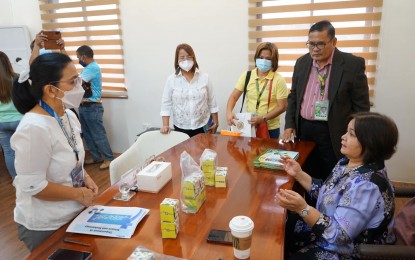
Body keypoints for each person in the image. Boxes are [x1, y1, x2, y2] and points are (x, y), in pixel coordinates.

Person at [276, 112, 398, 259]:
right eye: (347, 131)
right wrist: (299, 174)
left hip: (348, 251)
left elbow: (339, 235)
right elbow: (327, 194)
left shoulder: (367, 187)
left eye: (351, 134)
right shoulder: (346, 163)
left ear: (370, 143)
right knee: (279, 229)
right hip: (327, 228)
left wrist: (303, 209)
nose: (343, 136)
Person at [11, 53, 98, 251]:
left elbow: (72, 156)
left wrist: (85, 177)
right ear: (51, 89)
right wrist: (78, 194)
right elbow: (33, 186)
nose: (79, 85)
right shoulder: (33, 128)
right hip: (47, 224)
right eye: (72, 81)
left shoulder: (67, 115)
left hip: (74, 213)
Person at [282, 20, 370, 180]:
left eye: (320, 44)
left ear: (334, 42)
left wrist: (355, 137)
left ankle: (328, 204)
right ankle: (306, 204)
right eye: (311, 44)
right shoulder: (302, 63)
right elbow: (293, 96)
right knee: (306, 172)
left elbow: (361, 108)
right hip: (305, 129)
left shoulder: (352, 65)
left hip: (334, 131)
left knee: (332, 175)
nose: (315, 49)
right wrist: (289, 124)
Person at [227, 42, 288, 139]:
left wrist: (263, 118)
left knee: (268, 153)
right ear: (256, 58)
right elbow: (234, 97)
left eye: (268, 59)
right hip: (249, 126)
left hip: (270, 128)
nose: (264, 61)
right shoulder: (247, 75)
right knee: (249, 153)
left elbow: (282, 107)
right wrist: (229, 113)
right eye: (261, 57)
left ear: (274, 61)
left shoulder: (278, 80)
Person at [160, 43, 219, 137]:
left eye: (189, 57)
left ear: (194, 58)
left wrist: (216, 122)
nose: (186, 60)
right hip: (181, 127)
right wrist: (165, 125)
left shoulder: (205, 77)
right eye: (182, 57)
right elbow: (166, 103)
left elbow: (212, 101)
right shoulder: (171, 80)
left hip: (203, 125)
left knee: (204, 151)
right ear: (177, 60)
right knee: (183, 152)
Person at [76, 45, 114, 170]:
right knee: (87, 134)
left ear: (84, 56)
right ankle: (96, 156)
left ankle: (109, 159)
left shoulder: (92, 68)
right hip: (85, 106)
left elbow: (78, 83)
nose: (78, 60)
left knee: (98, 134)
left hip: (92, 107)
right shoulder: (87, 68)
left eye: (78, 57)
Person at [0, 51, 22, 179]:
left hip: (1, 122)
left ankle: (16, 181)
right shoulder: (17, 78)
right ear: (7, 63)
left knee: (9, 152)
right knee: (25, 150)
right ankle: (30, 180)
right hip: (19, 119)